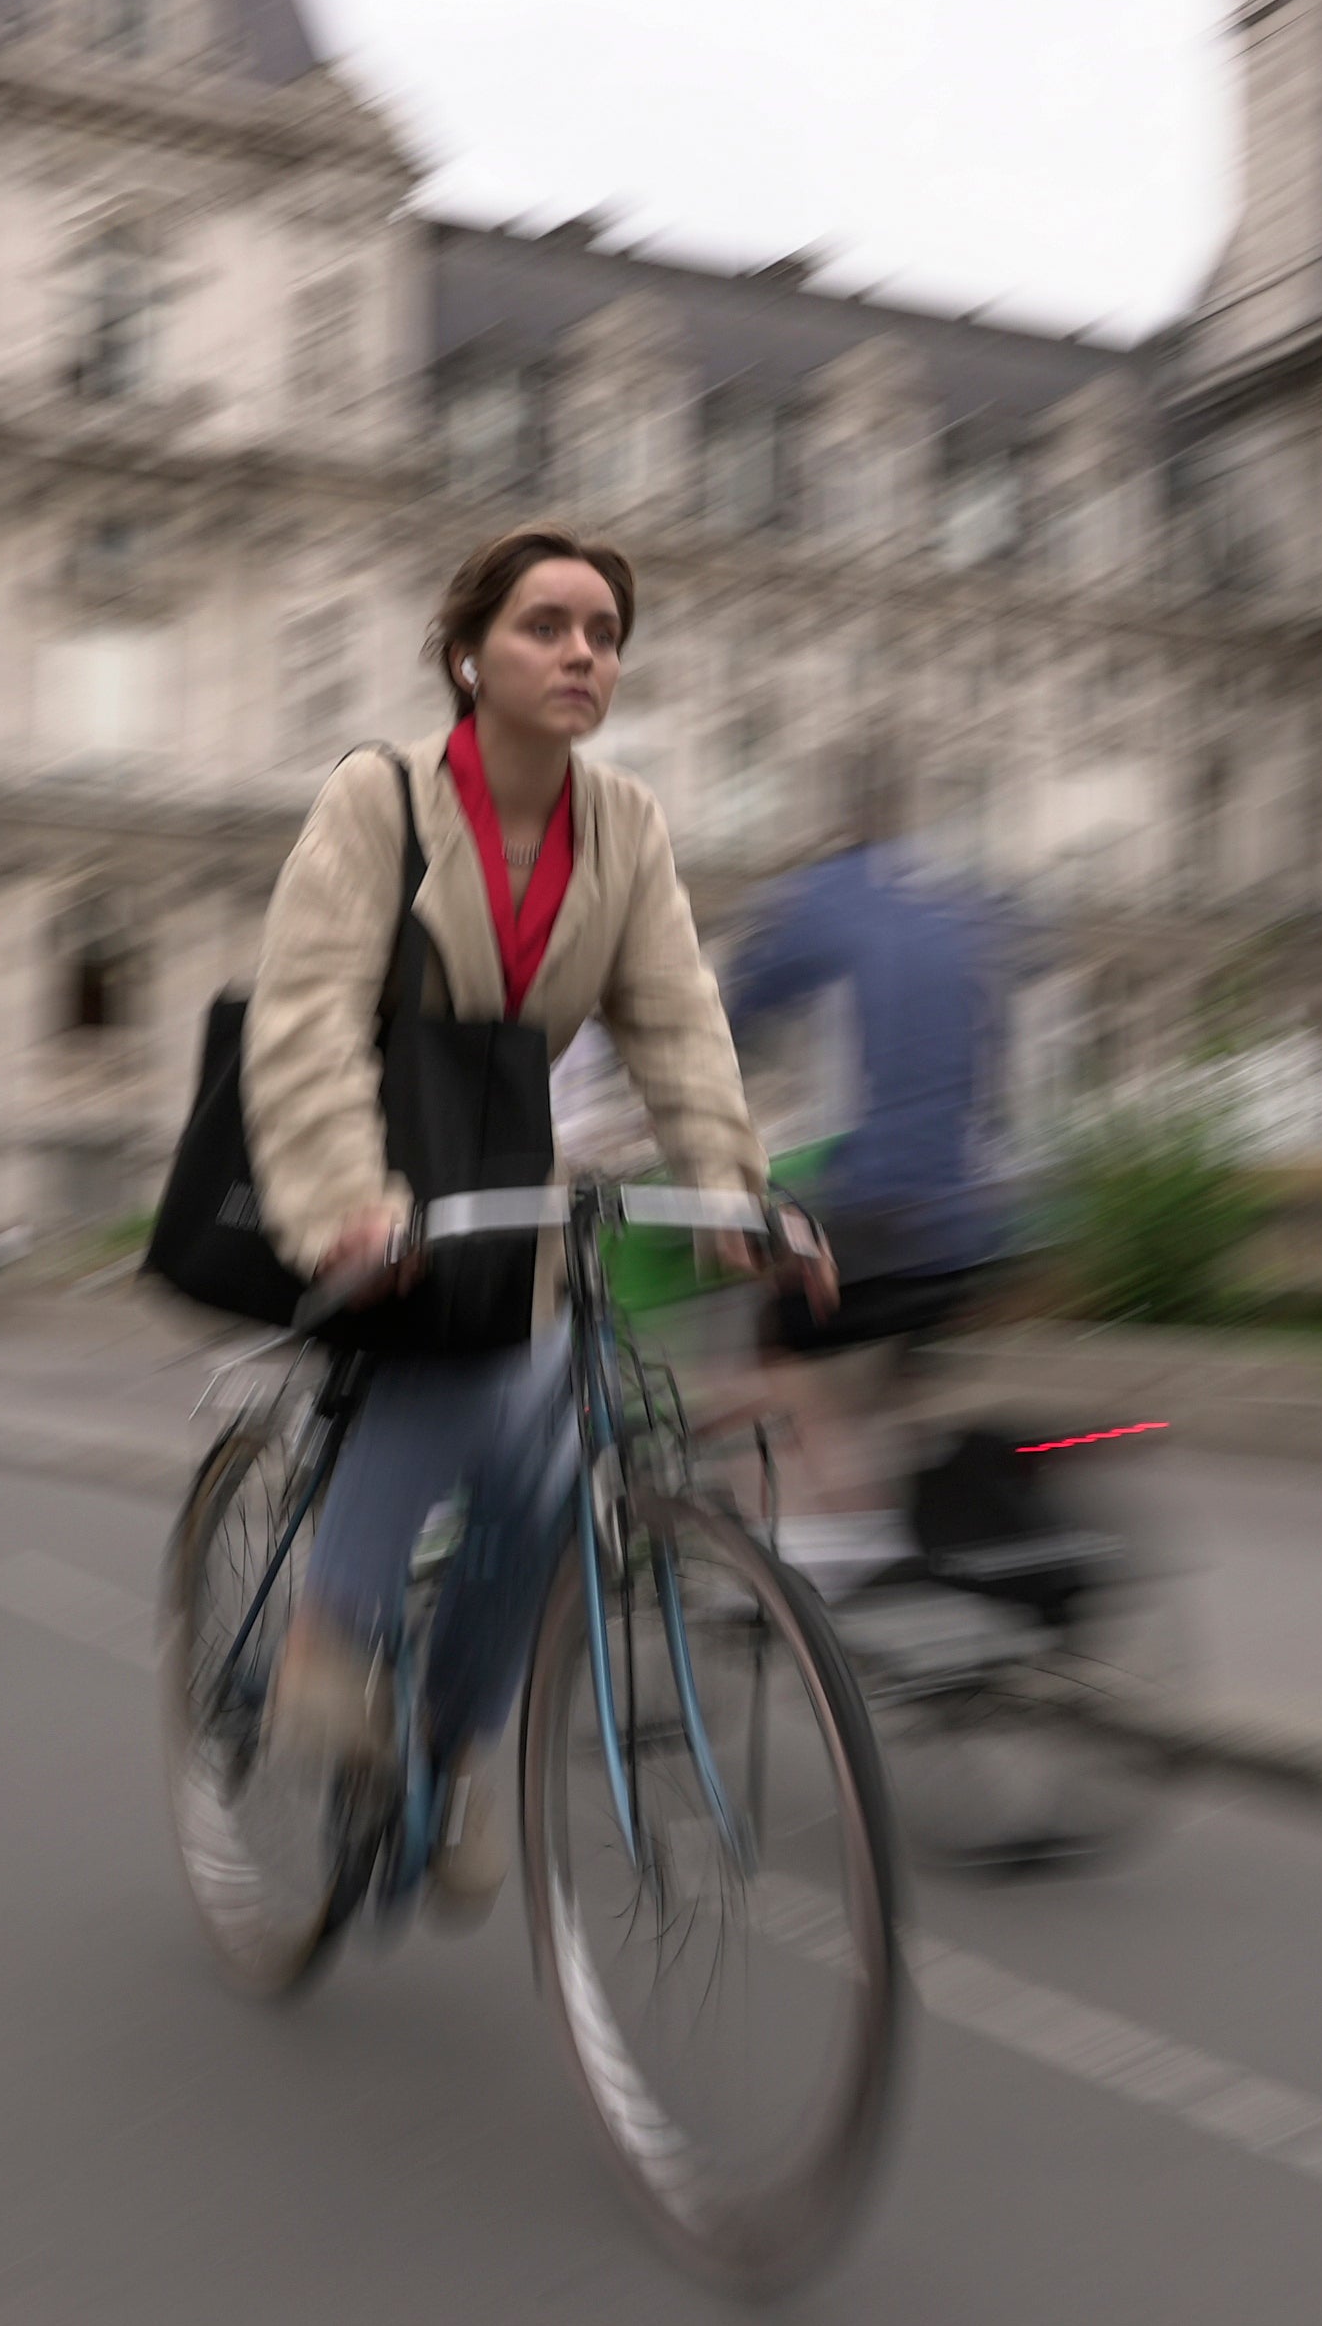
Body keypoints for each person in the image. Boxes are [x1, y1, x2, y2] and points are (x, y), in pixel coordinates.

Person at [244, 525, 812, 1930]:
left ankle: (447, 1738)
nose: (581, 653)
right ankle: (323, 1640)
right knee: (459, 1380)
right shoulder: (379, 803)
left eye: (604, 633)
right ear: (467, 654)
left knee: (557, 1469)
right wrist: (348, 1201)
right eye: (546, 625)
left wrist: (735, 1185)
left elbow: (677, 1018)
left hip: (504, 1188)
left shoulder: (622, 826)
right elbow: (308, 1016)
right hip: (368, 1177)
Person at [716, 752, 1012, 1595]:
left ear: (829, 826)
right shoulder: (955, 906)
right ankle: (921, 1547)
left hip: (888, 1203)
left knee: (767, 1348)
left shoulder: (816, 900)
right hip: (980, 1215)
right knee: (894, 1368)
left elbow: (721, 1028)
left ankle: (845, 1543)